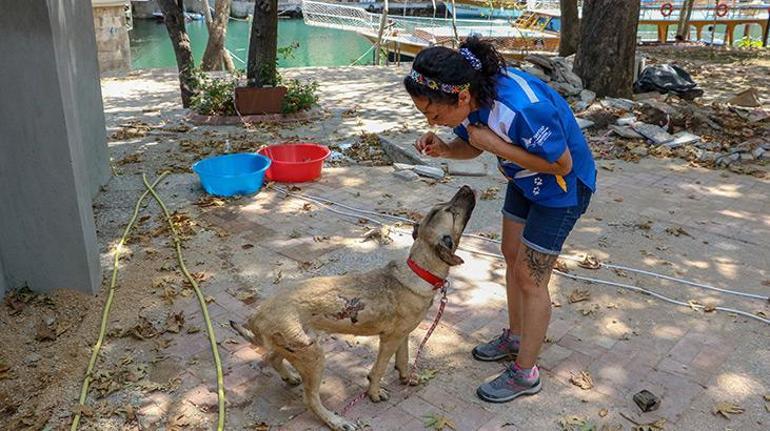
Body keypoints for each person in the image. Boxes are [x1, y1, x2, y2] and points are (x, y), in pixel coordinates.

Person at [403, 37, 596, 403]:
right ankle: (517, 337)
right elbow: (474, 142)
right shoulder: (471, 92)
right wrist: (445, 148)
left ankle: (526, 374)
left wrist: (497, 147)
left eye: (435, 115)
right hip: (523, 178)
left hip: (562, 187)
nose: (432, 121)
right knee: (510, 253)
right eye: (426, 116)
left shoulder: (525, 109)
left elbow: (561, 163)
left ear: (460, 98)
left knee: (530, 277)